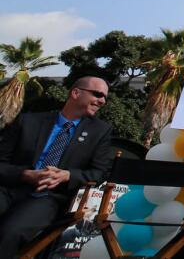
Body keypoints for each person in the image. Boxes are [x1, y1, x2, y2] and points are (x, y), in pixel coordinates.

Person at [0, 76, 114, 256]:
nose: (102, 101)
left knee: (11, 232)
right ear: (76, 93)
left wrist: (67, 175)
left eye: (105, 97)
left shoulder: (100, 132)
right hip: (9, 187)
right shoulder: (28, 121)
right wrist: (25, 174)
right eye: (98, 94)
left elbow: (99, 173)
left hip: (48, 197)